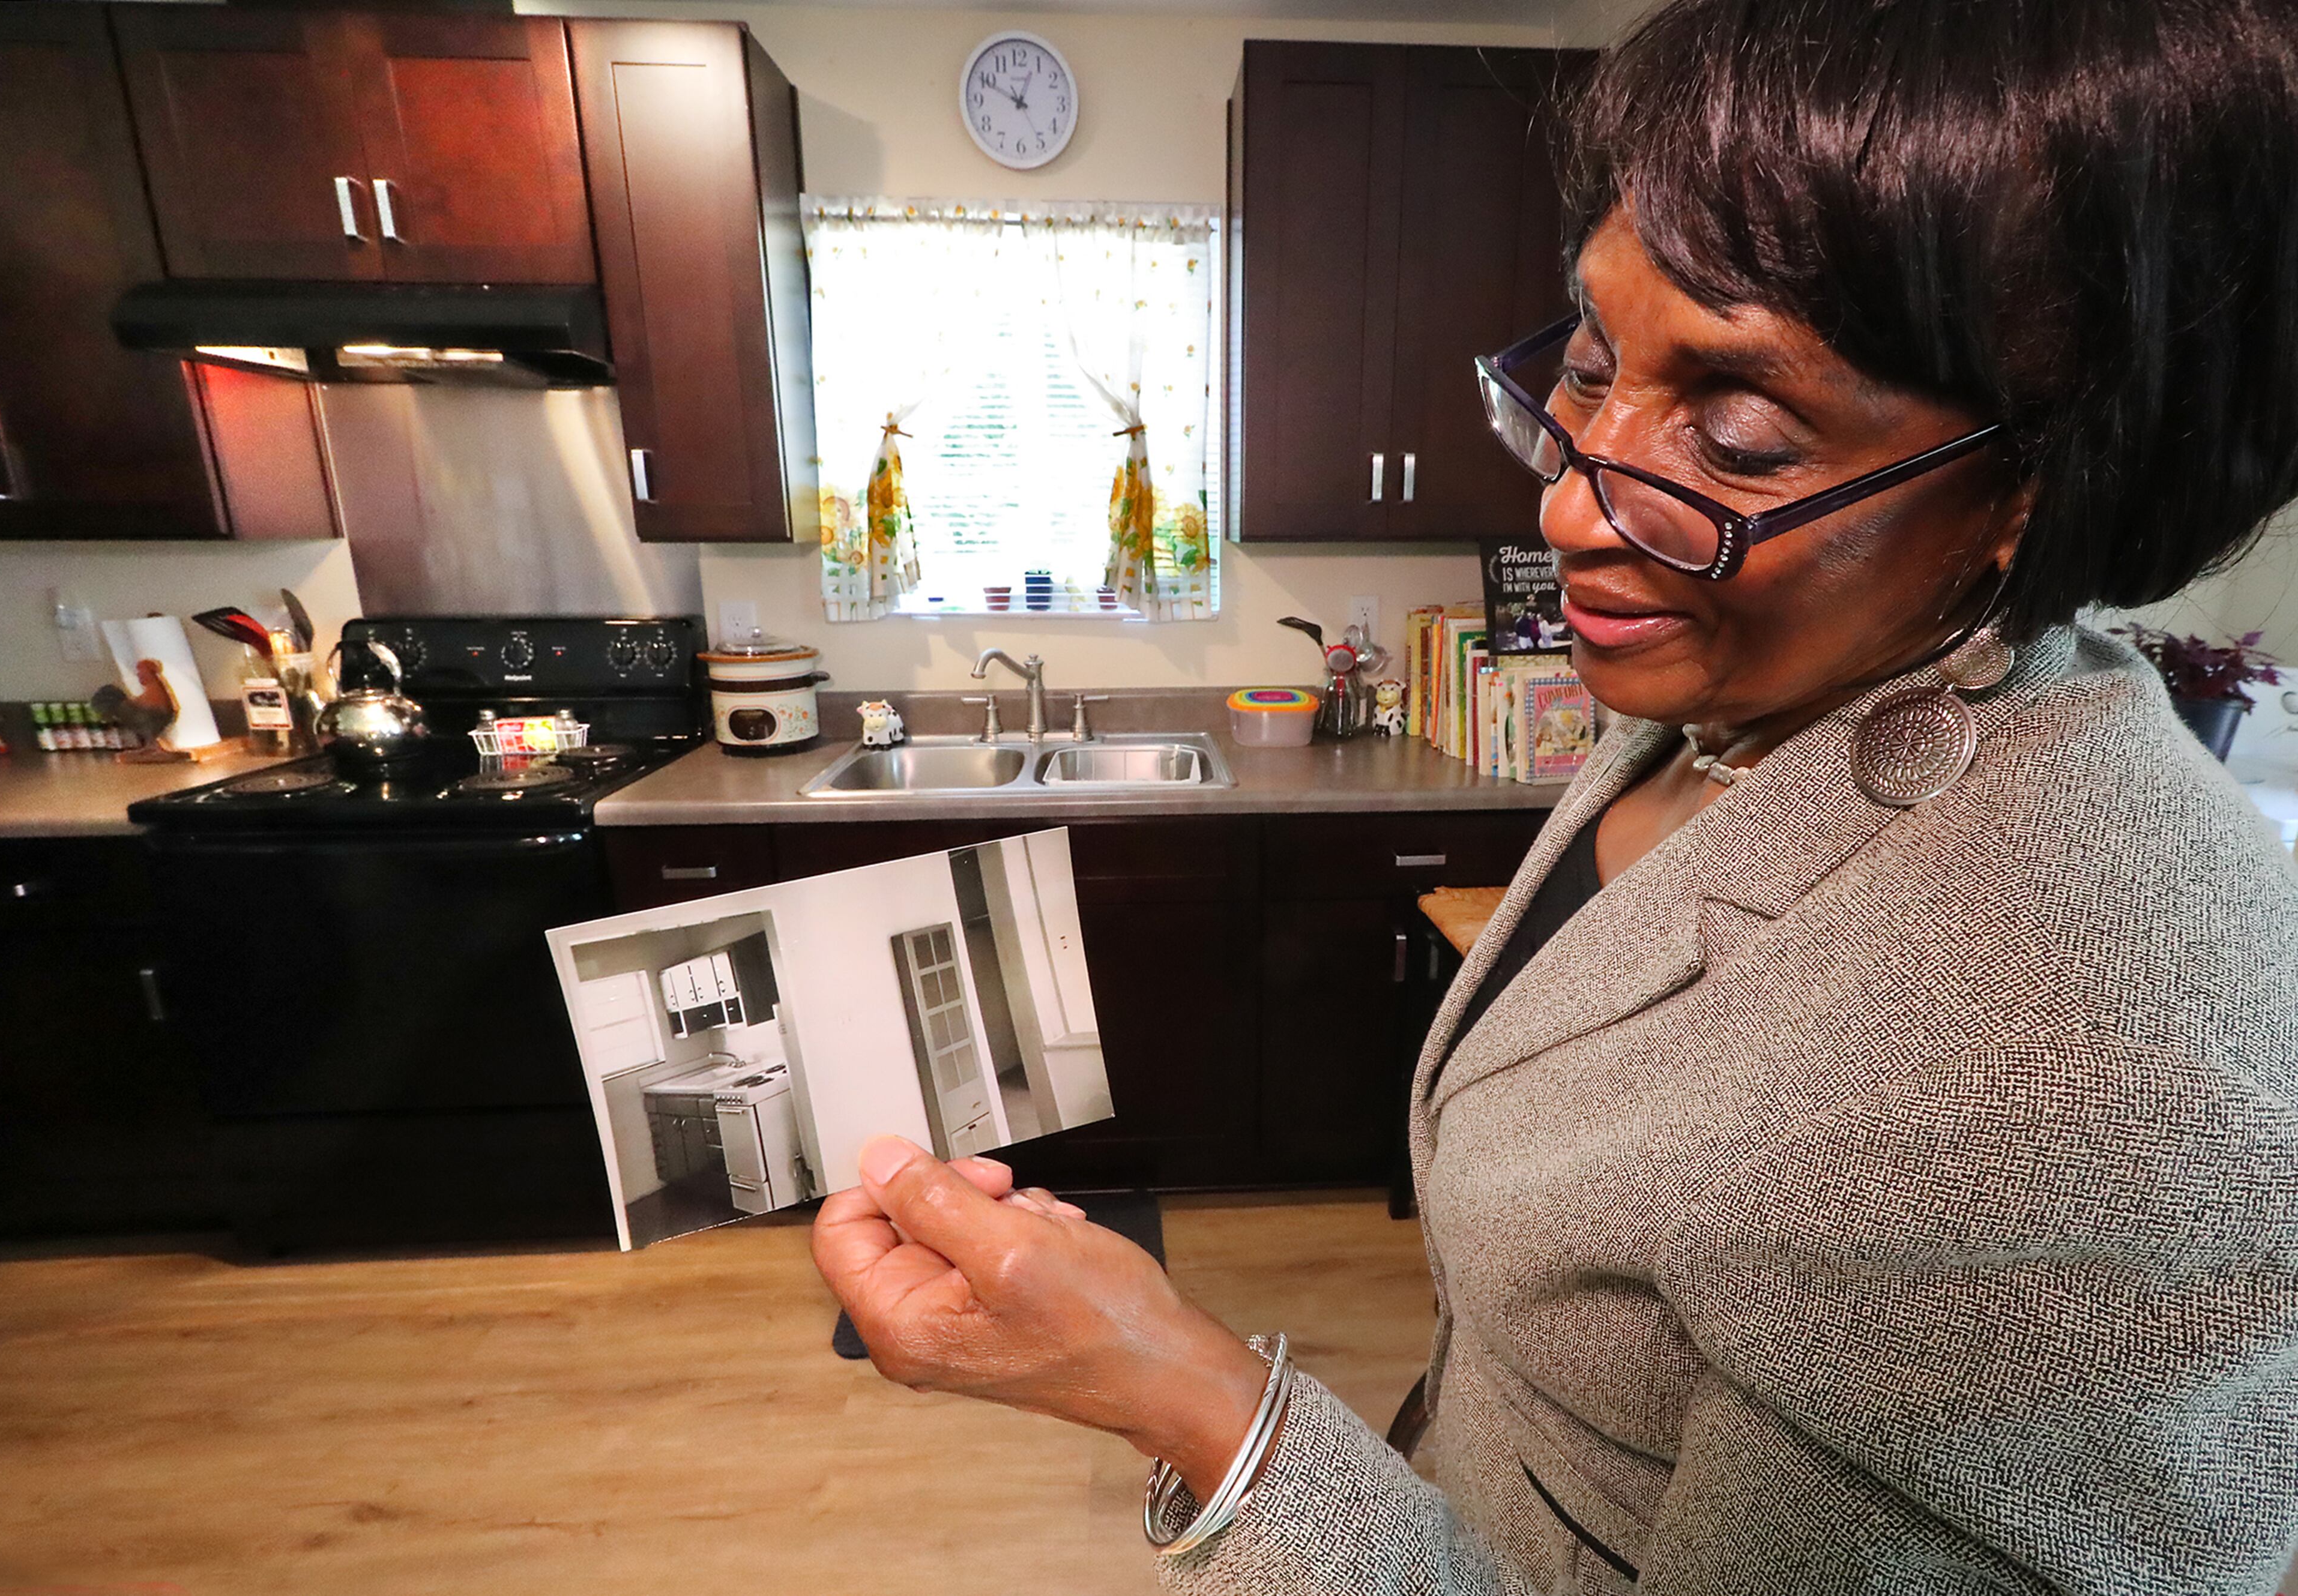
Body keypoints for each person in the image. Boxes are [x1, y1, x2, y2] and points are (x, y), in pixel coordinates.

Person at [812, 0, 2298, 1589]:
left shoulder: (2084, 1084)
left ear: (2038, 484)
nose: (1573, 506)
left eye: (1737, 437)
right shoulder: (1752, 688)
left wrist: (1178, 1390)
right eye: (1590, 368)